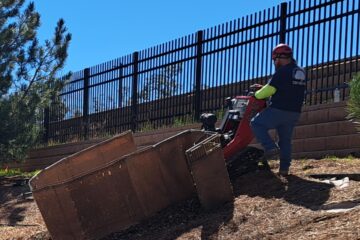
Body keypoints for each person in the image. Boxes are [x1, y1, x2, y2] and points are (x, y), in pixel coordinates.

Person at [250, 43, 306, 176]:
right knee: (285, 140)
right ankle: (284, 169)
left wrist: (256, 94)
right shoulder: (299, 71)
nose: (275, 63)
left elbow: (268, 91)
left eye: (274, 60)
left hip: (278, 110)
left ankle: (270, 147)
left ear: (278, 58)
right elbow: (286, 86)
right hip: (294, 112)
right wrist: (265, 86)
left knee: (256, 123)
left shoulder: (282, 71)